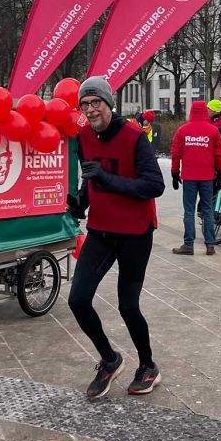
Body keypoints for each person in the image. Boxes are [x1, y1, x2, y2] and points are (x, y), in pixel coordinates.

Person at [65, 76, 166, 399]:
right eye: (85, 104)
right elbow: (91, 177)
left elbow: (155, 186)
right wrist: (80, 203)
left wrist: (107, 180)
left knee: (127, 306)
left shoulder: (134, 136)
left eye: (96, 102)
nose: (91, 109)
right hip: (101, 230)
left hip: (135, 233)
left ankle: (148, 366)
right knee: (78, 300)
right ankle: (110, 360)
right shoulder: (83, 136)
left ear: (109, 103)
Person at [170, 101, 221, 256]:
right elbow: (220, 154)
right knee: (208, 210)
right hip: (207, 177)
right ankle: (210, 245)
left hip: (189, 177)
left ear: (191, 111)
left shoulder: (182, 130)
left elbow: (175, 153)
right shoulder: (213, 131)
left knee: (189, 210)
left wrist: (174, 173)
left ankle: (188, 244)